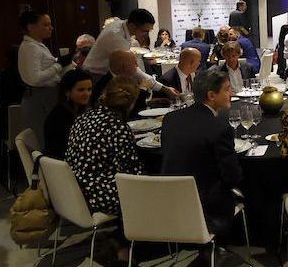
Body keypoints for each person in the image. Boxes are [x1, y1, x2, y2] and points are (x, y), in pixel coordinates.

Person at [159, 70, 246, 267]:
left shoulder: (170, 119)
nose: (231, 93)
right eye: (227, 89)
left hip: (170, 203)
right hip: (207, 212)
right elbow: (232, 176)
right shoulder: (219, 128)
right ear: (211, 95)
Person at [66, 77, 146, 219]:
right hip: (101, 197)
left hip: (74, 190)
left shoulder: (84, 117)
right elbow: (132, 173)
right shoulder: (118, 127)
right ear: (132, 103)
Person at [82, 9, 178, 99]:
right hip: (96, 75)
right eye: (145, 31)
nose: (147, 34)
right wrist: (164, 89)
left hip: (104, 73)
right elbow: (132, 69)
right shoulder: (116, 37)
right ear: (133, 26)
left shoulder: (120, 25)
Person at [17, 10, 74, 144]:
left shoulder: (36, 45)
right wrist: (59, 65)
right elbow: (35, 78)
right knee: (44, 137)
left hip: (44, 94)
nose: (51, 28)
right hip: (41, 97)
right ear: (31, 27)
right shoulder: (32, 47)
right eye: (45, 25)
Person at [42, 68, 94, 159]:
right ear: (67, 92)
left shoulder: (77, 110)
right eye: (81, 90)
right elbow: (64, 150)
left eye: (89, 89)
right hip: (63, 163)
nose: (87, 94)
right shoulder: (59, 117)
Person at [90, 50, 151, 118]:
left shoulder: (121, 77)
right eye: (134, 63)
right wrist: (142, 90)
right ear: (125, 67)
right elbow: (129, 112)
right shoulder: (108, 84)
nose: (137, 65)